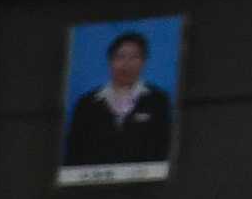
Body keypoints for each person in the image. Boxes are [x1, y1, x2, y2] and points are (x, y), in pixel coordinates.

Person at [64, 27, 176, 170]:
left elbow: (164, 148)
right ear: (110, 61)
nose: (126, 64)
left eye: (134, 57)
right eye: (120, 57)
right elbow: (73, 153)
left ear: (144, 62)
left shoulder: (158, 100)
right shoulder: (86, 103)